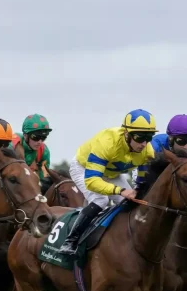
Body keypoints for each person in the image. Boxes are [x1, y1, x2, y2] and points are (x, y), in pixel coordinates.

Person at [60, 109, 157, 256]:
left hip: (111, 173)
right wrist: (121, 191)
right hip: (84, 168)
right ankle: (71, 240)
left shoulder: (147, 152)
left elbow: (143, 180)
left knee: (134, 203)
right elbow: (92, 181)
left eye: (148, 137)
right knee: (101, 200)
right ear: (126, 134)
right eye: (139, 137)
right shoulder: (107, 143)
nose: (143, 143)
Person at [13, 114, 52, 184]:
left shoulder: (44, 151)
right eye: (36, 137)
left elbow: (44, 179)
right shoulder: (12, 144)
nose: (40, 142)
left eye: (43, 137)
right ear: (25, 136)